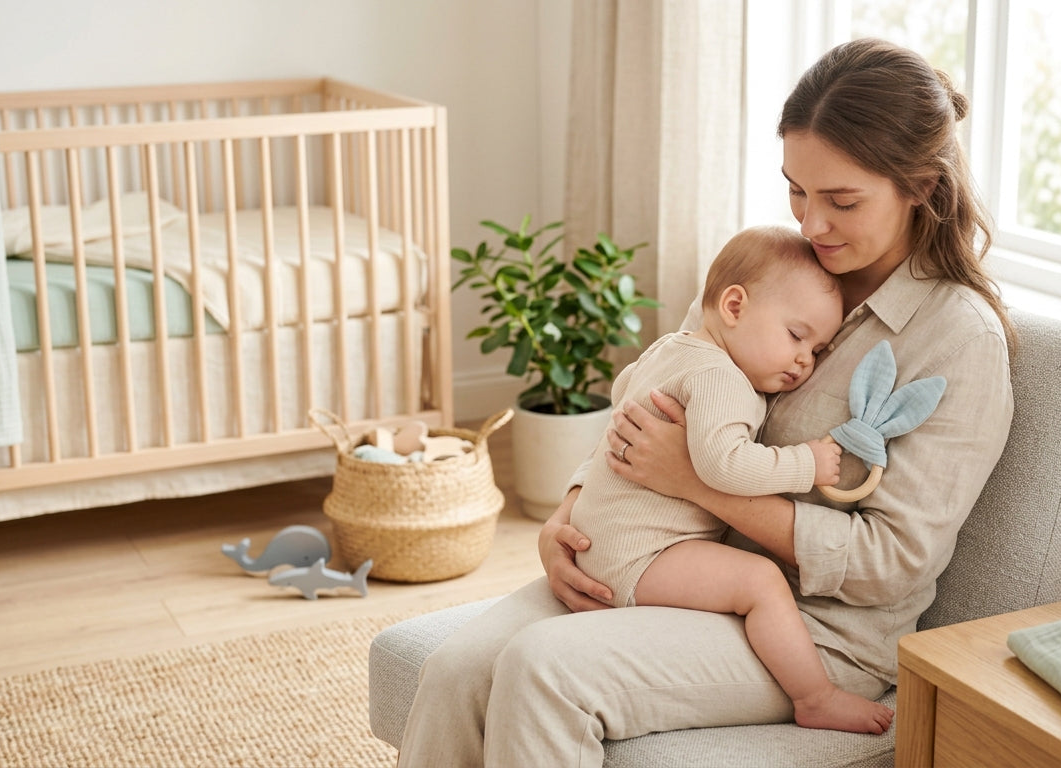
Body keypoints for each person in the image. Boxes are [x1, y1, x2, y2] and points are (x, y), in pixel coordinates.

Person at [397, 37, 1015, 767]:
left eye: (841, 201)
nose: (812, 225)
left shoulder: (959, 340)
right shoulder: (774, 271)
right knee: (455, 670)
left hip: (813, 632)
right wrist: (565, 518)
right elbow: (659, 391)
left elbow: (892, 562)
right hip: (666, 562)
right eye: (797, 190)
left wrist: (696, 483)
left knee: (544, 671)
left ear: (923, 187)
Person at [571, 224, 893, 734]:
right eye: (796, 335)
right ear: (734, 307)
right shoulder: (721, 377)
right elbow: (725, 466)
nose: (804, 360)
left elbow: (621, 392)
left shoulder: (671, 348)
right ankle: (815, 697)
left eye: (818, 350)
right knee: (760, 582)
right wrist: (806, 463)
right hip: (639, 555)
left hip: (601, 538)